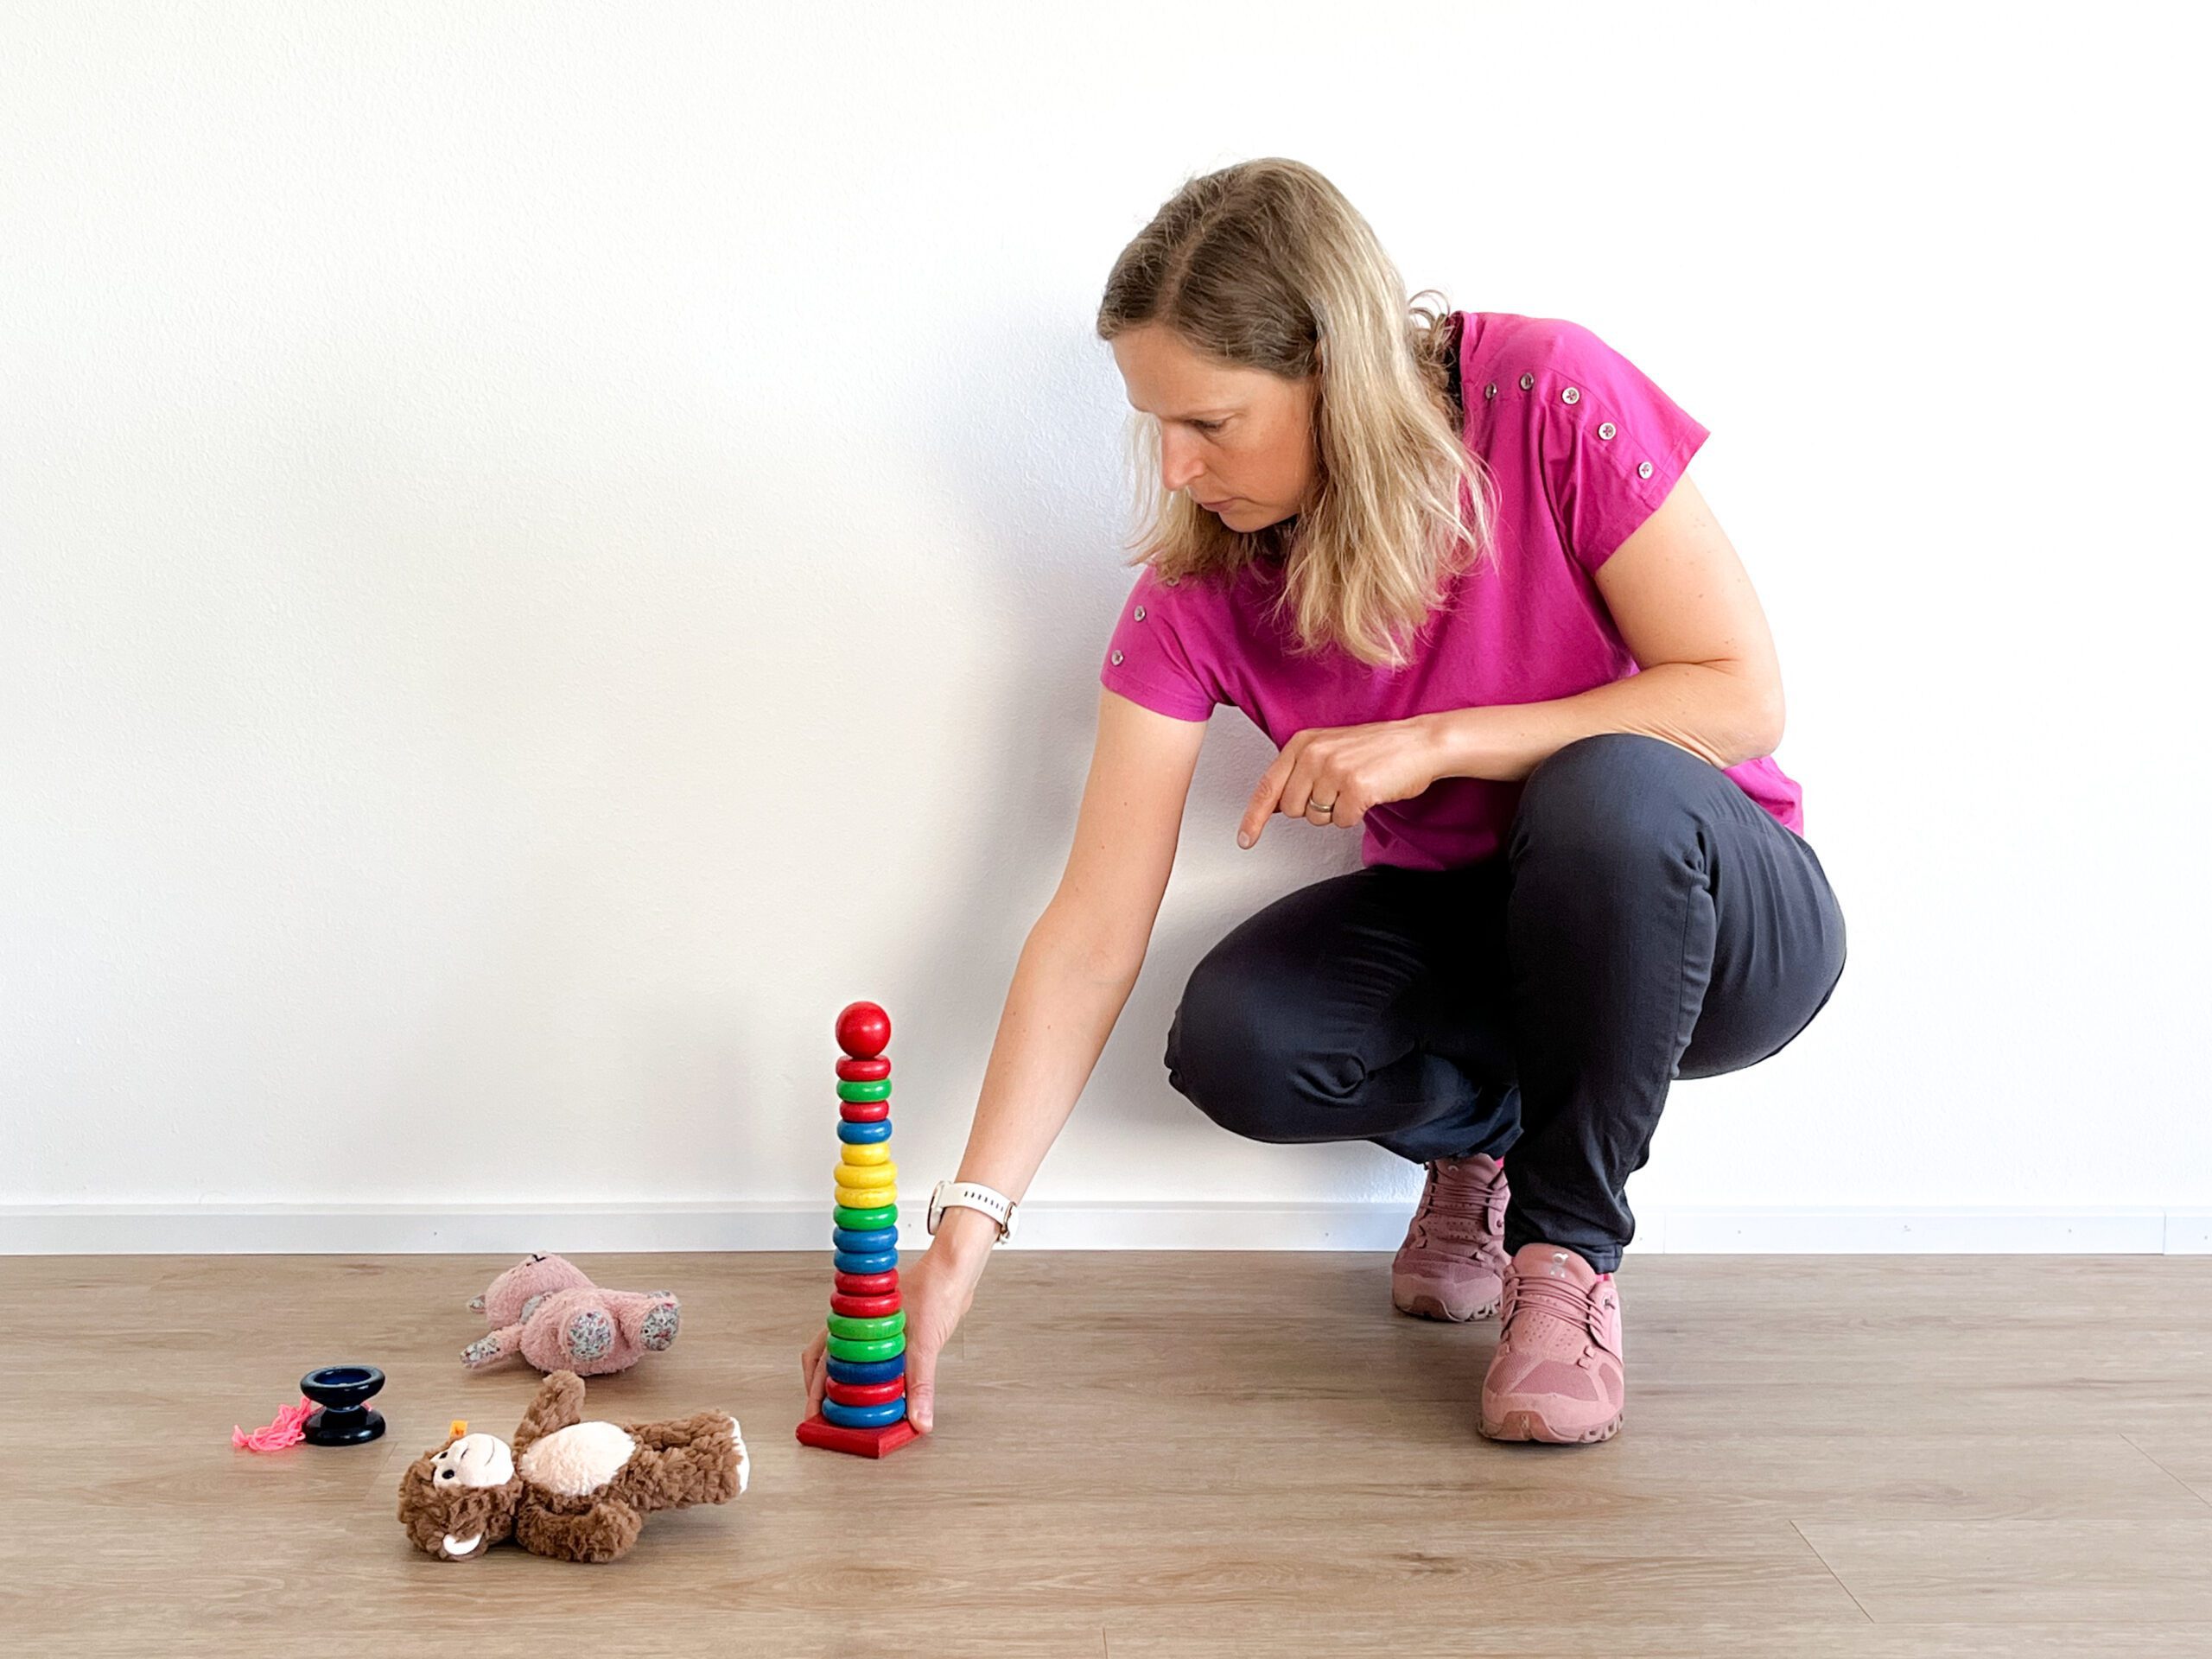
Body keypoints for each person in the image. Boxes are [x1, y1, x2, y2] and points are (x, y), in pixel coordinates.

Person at [803, 156, 1847, 1446]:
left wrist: (1439, 742)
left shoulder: (1544, 393)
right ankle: (1491, 1142)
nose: (1177, 467)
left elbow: (1741, 695)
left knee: (1609, 791)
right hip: (1485, 927)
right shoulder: (1194, 600)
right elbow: (1088, 935)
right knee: (1240, 1034)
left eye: (1212, 422)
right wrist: (959, 1245)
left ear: (1334, 375)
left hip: (1714, 913)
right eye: (1156, 426)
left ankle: (1568, 1263)